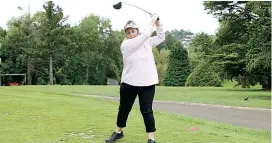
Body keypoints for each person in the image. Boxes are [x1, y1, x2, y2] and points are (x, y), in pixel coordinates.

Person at [105, 14, 165, 143]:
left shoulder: (147, 42)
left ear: (137, 31)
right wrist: (153, 20)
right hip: (129, 83)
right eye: (128, 32)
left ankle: (151, 139)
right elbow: (146, 34)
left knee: (147, 111)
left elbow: (160, 37)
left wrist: (158, 23)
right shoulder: (126, 45)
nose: (131, 33)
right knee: (124, 109)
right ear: (126, 34)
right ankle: (118, 132)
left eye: (133, 31)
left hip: (148, 83)